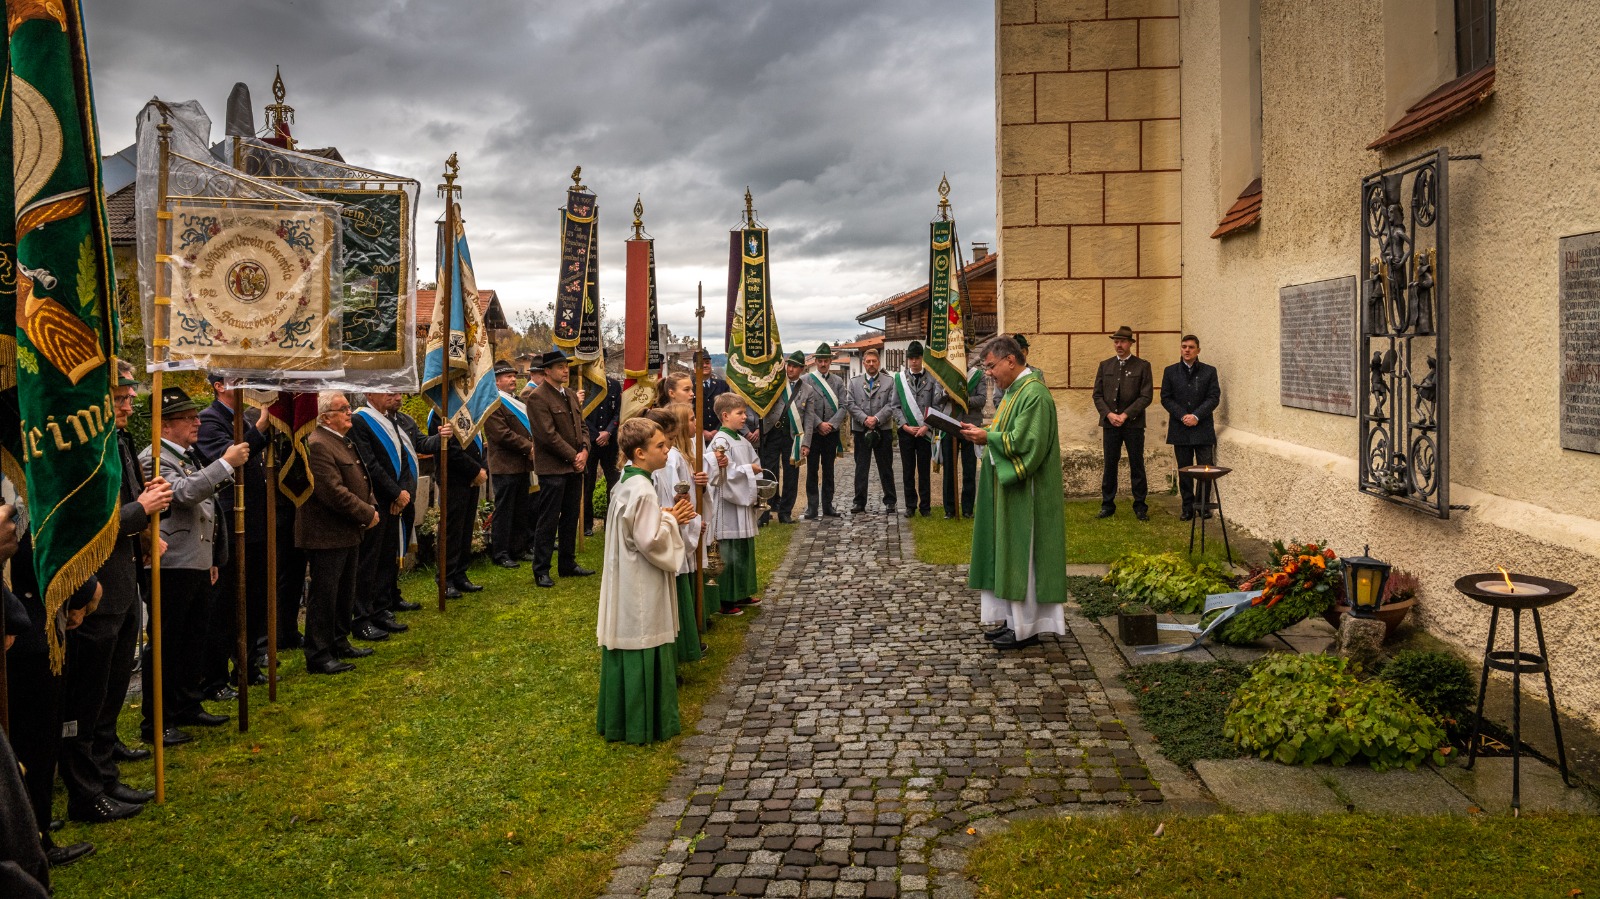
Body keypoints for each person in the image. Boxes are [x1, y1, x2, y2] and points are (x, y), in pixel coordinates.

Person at [60, 359, 170, 823]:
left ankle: (106, 778)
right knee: (84, 702)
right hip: (96, 590)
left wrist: (145, 527)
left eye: (129, 398)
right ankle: (85, 793)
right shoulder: (82, 452)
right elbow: (82, 526)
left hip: (124, 586)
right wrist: (139, 511)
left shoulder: (117, 441)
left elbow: (126, 504)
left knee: (109, 696)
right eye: (119, 399)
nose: (127, 406)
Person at [140, 387, 248, 741]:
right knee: (167, 642)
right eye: (189, 418)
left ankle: (187, 703)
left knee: (192, 640)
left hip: (196, 560)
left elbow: (209, 509)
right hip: (171, 562)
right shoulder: (154, 458)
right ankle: (159, 719)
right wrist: (225, 464)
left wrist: (214, 556)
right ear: (166, 425)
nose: (197, 423)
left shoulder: (184, 456)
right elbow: (183, 494)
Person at [3, 494, 103, 864]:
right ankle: (35, 837)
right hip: (29, 625)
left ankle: (32, 823)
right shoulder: (19, 490)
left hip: (29, 621)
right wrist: (85, 589)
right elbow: (41, 546)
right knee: (34, 742)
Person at [961, 336, 1067, 649]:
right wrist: (984, 434)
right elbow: (1006, 430)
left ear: (1011, 360)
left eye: (991, 366)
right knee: (1007, 551)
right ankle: (1012, 621)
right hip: (1010, 492)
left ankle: (1027, 628)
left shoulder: (1033, 393)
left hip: (1029, 493)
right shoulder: (1013, 393)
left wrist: (988, 437)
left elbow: (1026, 443)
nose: (989, 374)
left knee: (1025, 555)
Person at [596, 417, 697, 744]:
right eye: (660, 446)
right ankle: (645, 724)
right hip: (641, 581)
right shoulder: (642, 489)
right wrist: (672, 521)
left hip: (626, 573)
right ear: (640, 453)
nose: (668, 451)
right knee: (643, 635)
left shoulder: (627, 479)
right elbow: (651, 542)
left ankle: (622, 719)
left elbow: (635, 528)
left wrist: (663, 514)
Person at [196, 372, 271, 696]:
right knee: (225, 604)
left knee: (254, 599)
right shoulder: (209, 421)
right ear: (219, 386)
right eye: (234, 379)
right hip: (229, 521)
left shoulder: (245, 416)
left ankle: (249, 665)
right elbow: (231, 459)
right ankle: (214, 678)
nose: (242, 384)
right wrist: (262, 428)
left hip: (254, 520)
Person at [298, 392, 380, 674]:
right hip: (326, 532)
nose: (349, 412)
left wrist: (370, 505)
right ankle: (319, 654)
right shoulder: (318, 444)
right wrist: (366, 512)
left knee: (345, 590)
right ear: (324, 417)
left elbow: (360, 478)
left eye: (348, 407)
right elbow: (332, 491)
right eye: (342, 408)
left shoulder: (340, 440)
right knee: (325, 594)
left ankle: (339, 640)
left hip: (347, 530)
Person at [349, 392, 427, 638]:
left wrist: (402, 492)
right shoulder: (362, 420)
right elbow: (370, 464)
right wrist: (394, 493)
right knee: (369, 561)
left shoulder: (391, 419)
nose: (395, 395)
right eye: (389, 391)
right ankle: (363, 616)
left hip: (395, 500)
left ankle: (381, 610)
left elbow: (404, 459)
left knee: (386, 559)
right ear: (371, 394)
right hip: (376, 500)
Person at [527, 348, 593, 588]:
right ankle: (541, 569)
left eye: (566, 367)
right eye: (560, 367)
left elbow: (582, 427)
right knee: (549, 519)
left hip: (575, 467)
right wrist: (574, 456)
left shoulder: (571, 395)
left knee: (571, 517)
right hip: (553, 468)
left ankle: (567, 563)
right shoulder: (538, 397)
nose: (565, 370)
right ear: (547, 371)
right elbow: (547, 435)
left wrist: (585, 451)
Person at [646, 405, 708, 660]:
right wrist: (690, 521)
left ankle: (687, 645)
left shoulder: (669, 457)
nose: (668, 447)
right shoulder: (667, 460)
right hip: (665, 533)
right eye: (667, 441)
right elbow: (667, 499)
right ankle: (683, 648)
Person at [704, 393, 762, 615]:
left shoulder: (741, 440)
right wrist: (749, 471)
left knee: (743, 548)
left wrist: (753, 473)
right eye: (740, 413)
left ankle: (742, 592)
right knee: (728, 552)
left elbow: (754, 464)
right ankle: (725, 599)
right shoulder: (720, 442)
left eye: (745, 412)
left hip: (742, 503)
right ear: (725, 416)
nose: (745, 417)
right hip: (726, 506)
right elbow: (721, 475)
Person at [427, 405, 489, 599]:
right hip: (453, 478)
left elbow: (479, 442)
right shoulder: (441, 410)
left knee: (466, 528)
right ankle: (446, 579)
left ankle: (460, 574)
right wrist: (475, 471)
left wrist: (482, 468)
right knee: (451, 530)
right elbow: (450, 449)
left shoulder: (469, 408)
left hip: (472, 477)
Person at [1092, 325, 1153, 521]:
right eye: (1116, 341)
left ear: (1130, 344)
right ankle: (1107, 504)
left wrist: (1125, 415)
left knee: (1137, 464)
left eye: (1123, 341)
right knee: (1110, 464)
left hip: (1133, 424)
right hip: (1110, 424)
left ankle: (1140, 505)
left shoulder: (1142, 366)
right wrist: (1109, 414)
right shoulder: (1105, 365)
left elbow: (1146, 396)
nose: (1119, 345)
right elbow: (1098, 395)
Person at [1160, 335, 1222, 521]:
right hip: (1180, 428)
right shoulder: (1170, 371)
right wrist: (1182, 416)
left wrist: (1196, 416)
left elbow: (1213, 397)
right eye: (1184, 347)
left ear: (1198, 350)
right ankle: (1187, 507)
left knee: (1205, 469)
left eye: (1191, 347)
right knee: (1185, 470)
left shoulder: (1209, 371)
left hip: (1202, 428)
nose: (1187, 350)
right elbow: (1166, 398)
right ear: (1181, 349)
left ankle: (1202, 506)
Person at [483, 362, 538, 568]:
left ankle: (518, 548)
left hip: (522, 464)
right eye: (507, 377)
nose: (513, 379)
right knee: (505, 510)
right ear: (496, 381)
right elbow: (501, 434)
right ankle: (501, 552)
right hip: (505, 464)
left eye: (514, 376)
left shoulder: (514, 400)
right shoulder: (493, 402)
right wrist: (529, 447)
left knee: (520, 509)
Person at [891, 341, 941, 518]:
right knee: (908, 470)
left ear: (922, 359)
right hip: (906, 432)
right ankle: (910, 506)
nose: (914, 362)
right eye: (911, 358)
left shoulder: (932, 379)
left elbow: (936, 406)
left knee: (924, 471)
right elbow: (894, 406)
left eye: (917, 358)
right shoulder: (900, 380)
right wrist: (904, 425)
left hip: (924, 432)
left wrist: (926, 426)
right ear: (907, 359)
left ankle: (925, 507)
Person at [756, 351, 806, 524]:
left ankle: (785, 512)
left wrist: (806, 443)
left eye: (794, 366)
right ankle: (764, 512)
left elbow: (809, 418)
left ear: (802, 369)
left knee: (791, 475)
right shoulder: (776, 383)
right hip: (772, 433)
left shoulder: (807, 389)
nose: (790, 369)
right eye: (788, 365)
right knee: (768, 472)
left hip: (793, 437)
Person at [845, 347, 896, 514]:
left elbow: (892, 403)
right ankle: (859, 502)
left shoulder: (889, 381)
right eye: (868, 361)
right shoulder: (854, 382)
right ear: (863, 363)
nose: (871, 364)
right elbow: (850, 404)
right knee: (861, 467)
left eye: (874, 361)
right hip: (861, 429)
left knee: (885, 466)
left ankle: (890, 501)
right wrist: (865, 419)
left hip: (883, 429)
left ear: (879, 362)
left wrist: (877, 419)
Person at [798, 344, 846, 519]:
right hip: (814, 433)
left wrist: (831, 425)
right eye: (820, 360)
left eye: (826, 360)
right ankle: (812, 507)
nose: (823, 364)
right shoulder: (806, 380)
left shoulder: (838, 382)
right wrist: (819, 424)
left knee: (829, 470)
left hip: (831, 433)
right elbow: (805, 408)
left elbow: (843, 406)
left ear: (830, 361)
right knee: (812, 471)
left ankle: (828, 505)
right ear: (815, 361)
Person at [939, 368, 986, 519]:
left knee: (969, 469)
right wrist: (946, 393)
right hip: (949, 423)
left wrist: (962, 398)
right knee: (949, 469)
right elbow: (936, 398)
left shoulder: (977, 375)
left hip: (970, 424)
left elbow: (981, 399)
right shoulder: (945, 372)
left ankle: (967, 509)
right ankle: (949, 509)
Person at [583, 374, 623, 537]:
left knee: (613, 483)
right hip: (590, 442)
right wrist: (595, 435)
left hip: (610, 442)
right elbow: (581, 414)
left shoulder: (613, 384)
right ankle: (586, 524)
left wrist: (608, 432)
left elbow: (618, 412)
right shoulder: (583, 382)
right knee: (588, 483)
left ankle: (610, 522)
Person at [698, 353, 729, 441]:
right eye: (701, 363)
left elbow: (727, 409)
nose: (705, 365)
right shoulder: (690, 386)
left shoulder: (722, 385)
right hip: (698, 436)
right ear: (694, 367)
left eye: (707, 363)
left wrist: (718, 429)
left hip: (721, 433)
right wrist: (701, 431)